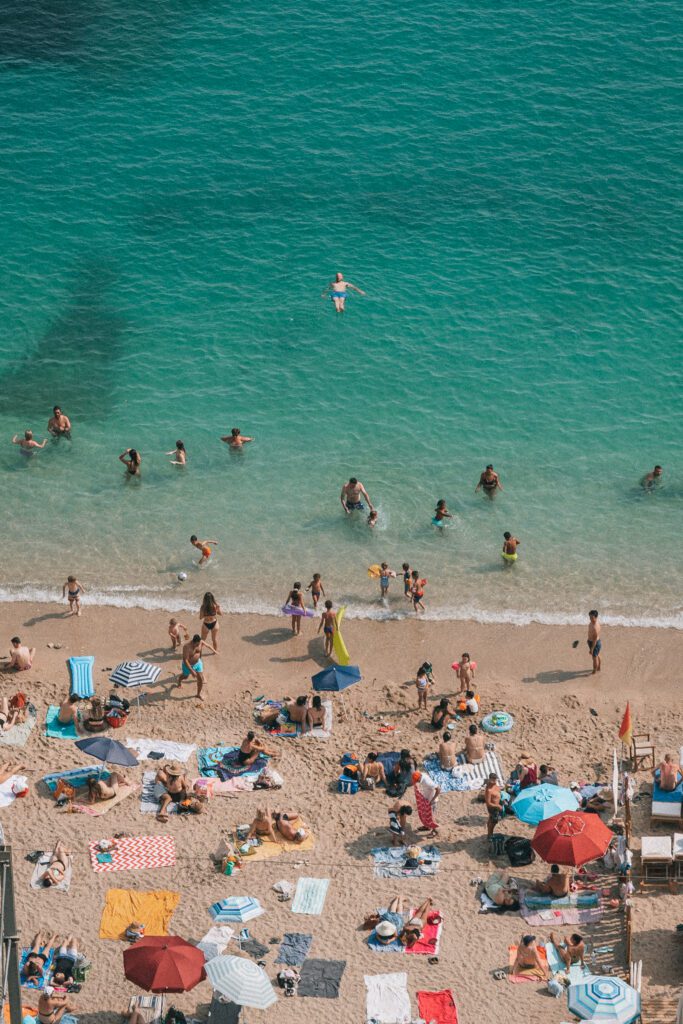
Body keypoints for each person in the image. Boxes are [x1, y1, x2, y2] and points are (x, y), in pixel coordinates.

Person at [176, 634, 215, 700]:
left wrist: (214, 651)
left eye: (199, 644)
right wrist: (191, 670)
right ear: (193, 642)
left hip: (198, 663)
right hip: (188, 665)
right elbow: (185, 660)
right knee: (185, 677)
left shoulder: (200, 642)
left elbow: (203, 649)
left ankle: (198, 694)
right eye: (196, 644)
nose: (198, 645)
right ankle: (179, 681)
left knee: (200, 679)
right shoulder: (186, 647)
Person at [412, 771, 440, 837]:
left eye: (416, 781)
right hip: (427, 798)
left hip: (432, 801)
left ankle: (434, 831)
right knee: (425, 813)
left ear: (419, 779)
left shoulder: (427, 782)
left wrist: (432, 800)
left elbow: (438, 789)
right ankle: (427, 827)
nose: (417, 782)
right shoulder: (422, 775)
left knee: (431, 816)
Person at [484, 773, 502, 837]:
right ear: (489, 779)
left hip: (497, 805)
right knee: (493, 822)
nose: (494, 781)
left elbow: (500, 793)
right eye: (493, 779)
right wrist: (498, 806)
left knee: (491, 821)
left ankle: (490, 834)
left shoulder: (496, 786)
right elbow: (488, 803)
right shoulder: (488, 790)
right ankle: (490, 835)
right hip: (492, 807)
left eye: (495, 779)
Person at [588, 609, 602, 674]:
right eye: (590, 617)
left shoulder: (595, 628)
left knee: (594, 658)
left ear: (596, 617)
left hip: (594, 644)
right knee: (597, 654)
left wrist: (591, 649)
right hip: (592, 641)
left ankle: (594, 670)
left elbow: (594, 641)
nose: (590, 619)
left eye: (592, 617)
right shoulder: (593, 622)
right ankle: (599, 667)